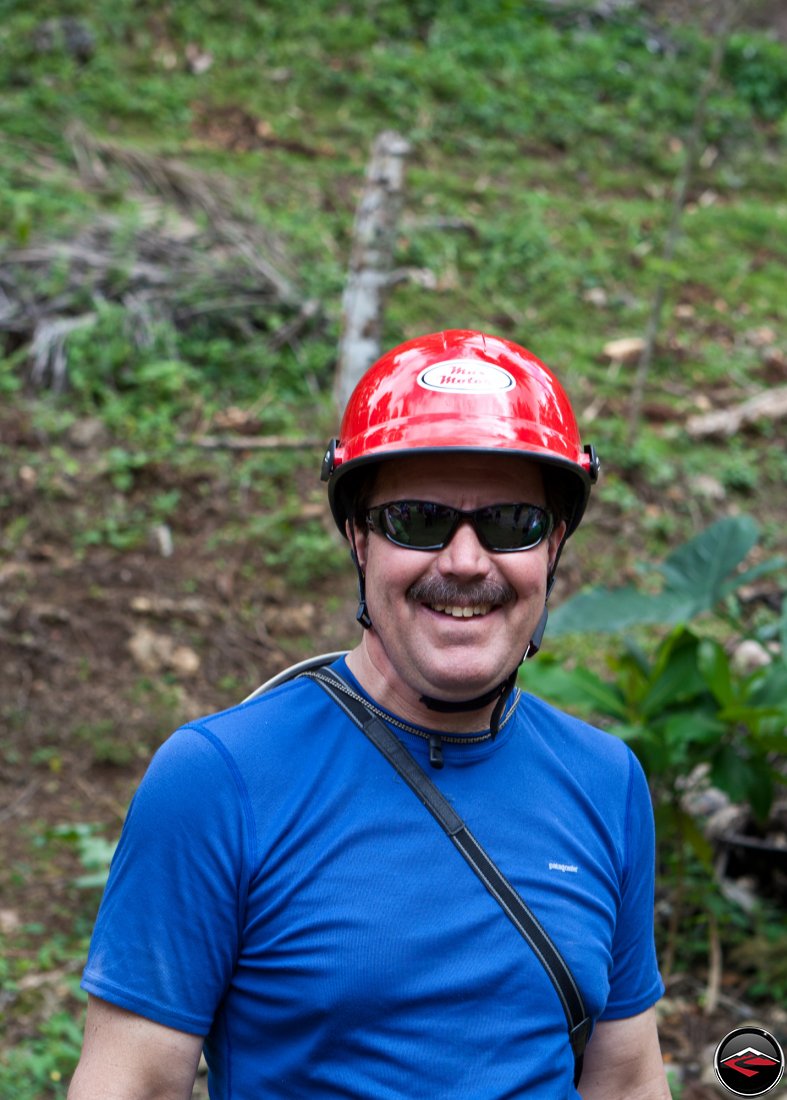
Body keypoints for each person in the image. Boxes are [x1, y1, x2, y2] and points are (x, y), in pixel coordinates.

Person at [68, 330, 670, 1099]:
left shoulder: (604, 780)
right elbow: (133, 1085)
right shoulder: (219, 780)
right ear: (357, 538)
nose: (462, 560)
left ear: (551, 546)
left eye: (511, 523)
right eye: (416, 520)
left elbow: (623, 1080)